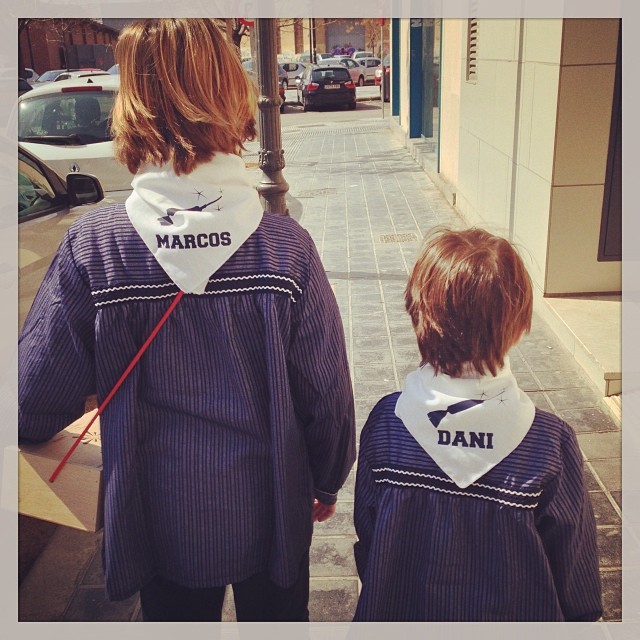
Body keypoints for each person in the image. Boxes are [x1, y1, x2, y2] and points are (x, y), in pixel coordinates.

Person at [18, 19, 355, 622]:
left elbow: (31, 401)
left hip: (158, 516)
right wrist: (327, 480)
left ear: (132, 104)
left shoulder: (95, 248)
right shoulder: (285, 249)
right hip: (272, 507)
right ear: (231, 96)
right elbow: (326, 392)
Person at [352, 228, 602, 621]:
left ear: (418, 316)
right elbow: (573, 565)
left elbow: (370, 536)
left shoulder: (387, 424)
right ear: (518, 326)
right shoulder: (549, 445)